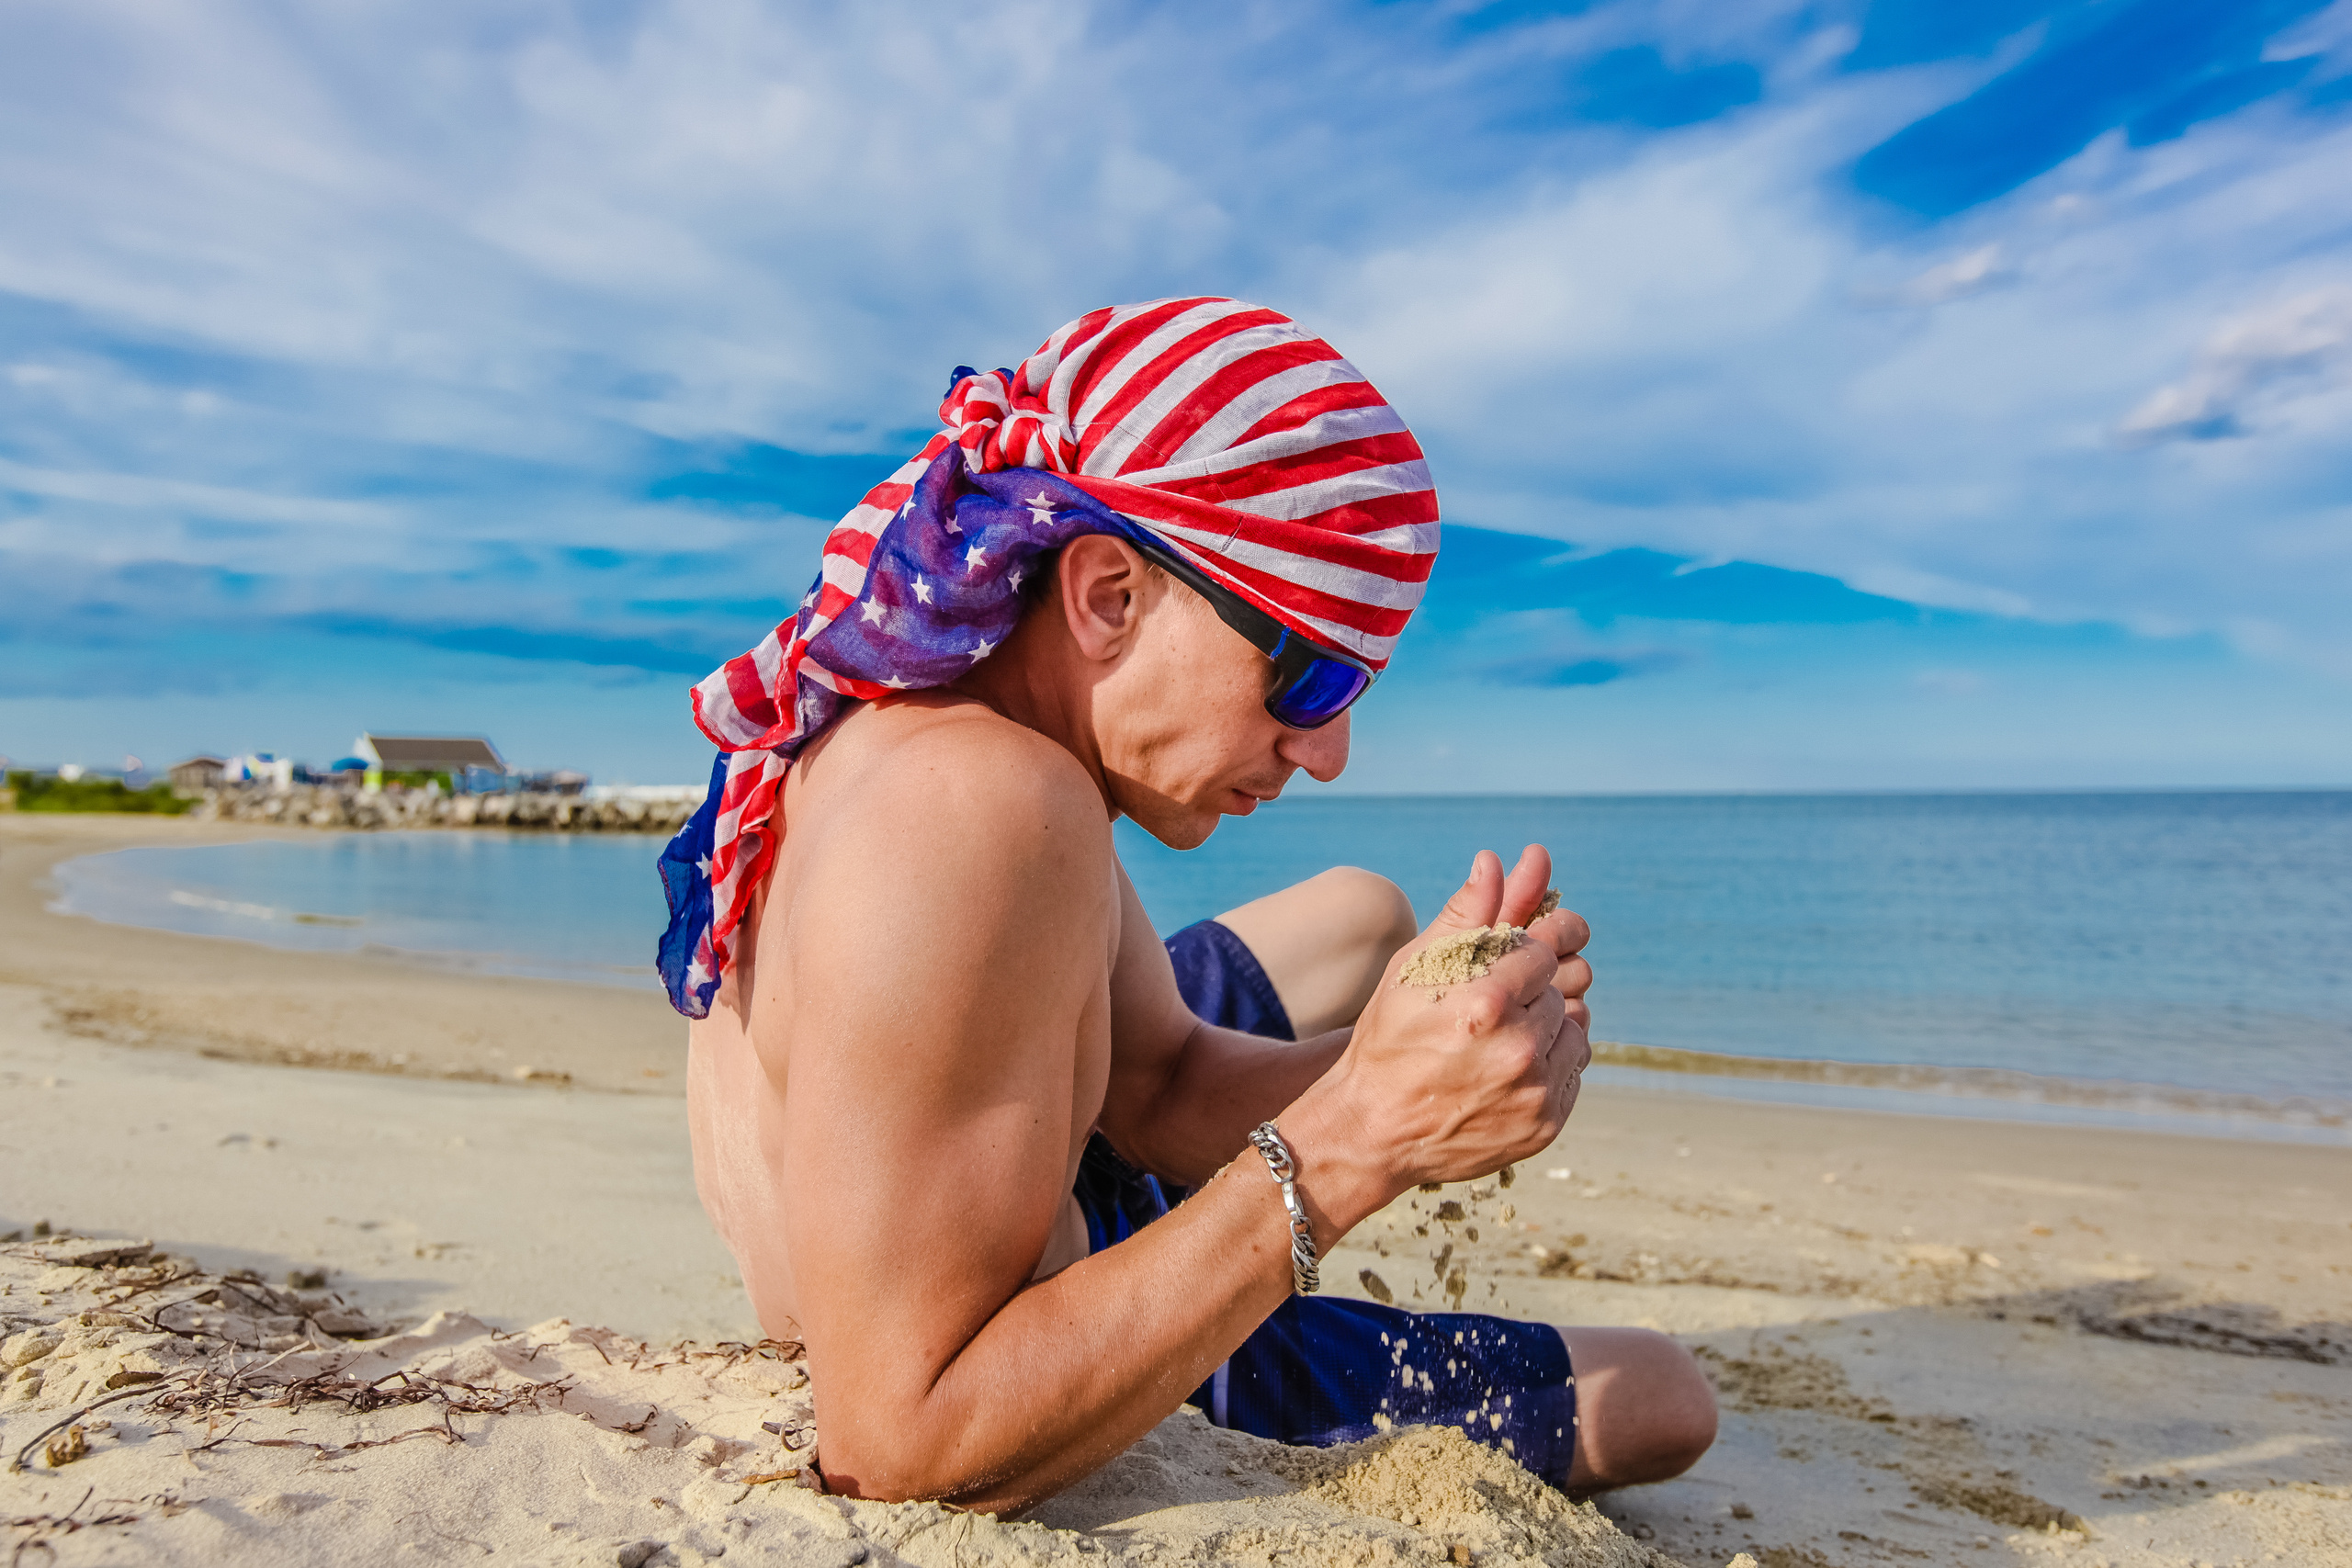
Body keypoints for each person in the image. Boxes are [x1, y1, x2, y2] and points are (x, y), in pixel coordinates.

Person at [659, 297, 1716, 1515]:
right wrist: (1360, 1140)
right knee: (1655, 1395)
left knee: (1363, 914)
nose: (1326, 753)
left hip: (983, 1173)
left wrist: (1413, 1069)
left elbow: (1155, 1088)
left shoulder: (941, 736)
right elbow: (899, 1439)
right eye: (1308, 674)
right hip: (1048, 1354)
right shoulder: (979, 805)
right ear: (1110, 593)